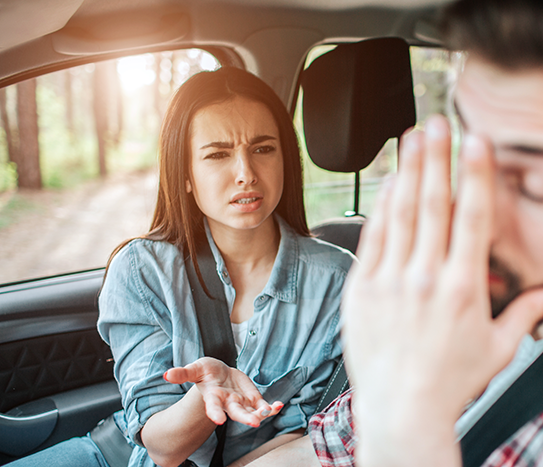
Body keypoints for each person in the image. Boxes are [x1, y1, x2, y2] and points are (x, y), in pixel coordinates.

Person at [243, 0, 543, 465]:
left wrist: (405, 434)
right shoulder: (489, 303)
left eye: (535, 186)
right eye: (471, 151)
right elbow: (320, 453)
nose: (467, 217)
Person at [8, 67, 354, 467]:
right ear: (185, 174)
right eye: (218, 154)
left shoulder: (339, 280)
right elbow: (161, 447)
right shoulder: (142, 271)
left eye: (263, 149)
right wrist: (205, 397)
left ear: (285, 160)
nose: (246, 174)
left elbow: (314, 431)